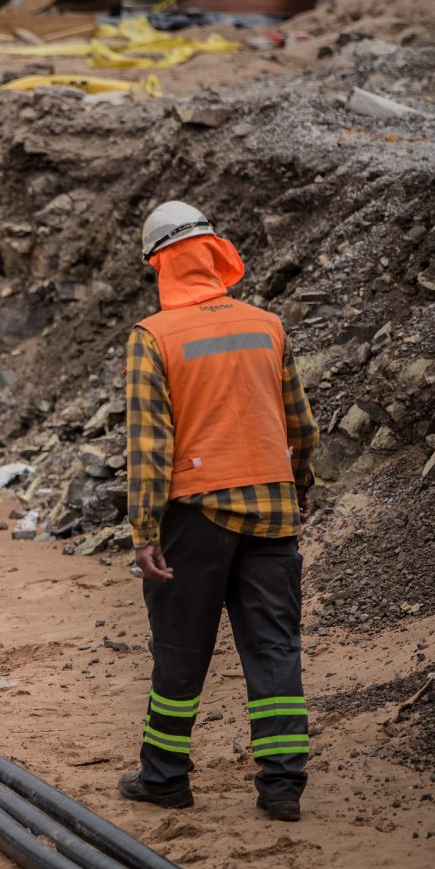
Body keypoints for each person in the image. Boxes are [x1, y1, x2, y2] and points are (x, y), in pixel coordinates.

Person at [120, 200, 319, 823]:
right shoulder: (267, 325)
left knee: (181, 648)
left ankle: (166, 779)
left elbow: (150, 447)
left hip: (196, 516)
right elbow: (300, 425)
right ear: (214, 251)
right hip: (272, 509)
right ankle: (283, 786)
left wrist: (144, 530)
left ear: (160, 265)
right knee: (274, 649)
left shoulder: (154, 337)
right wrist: (300, 487)